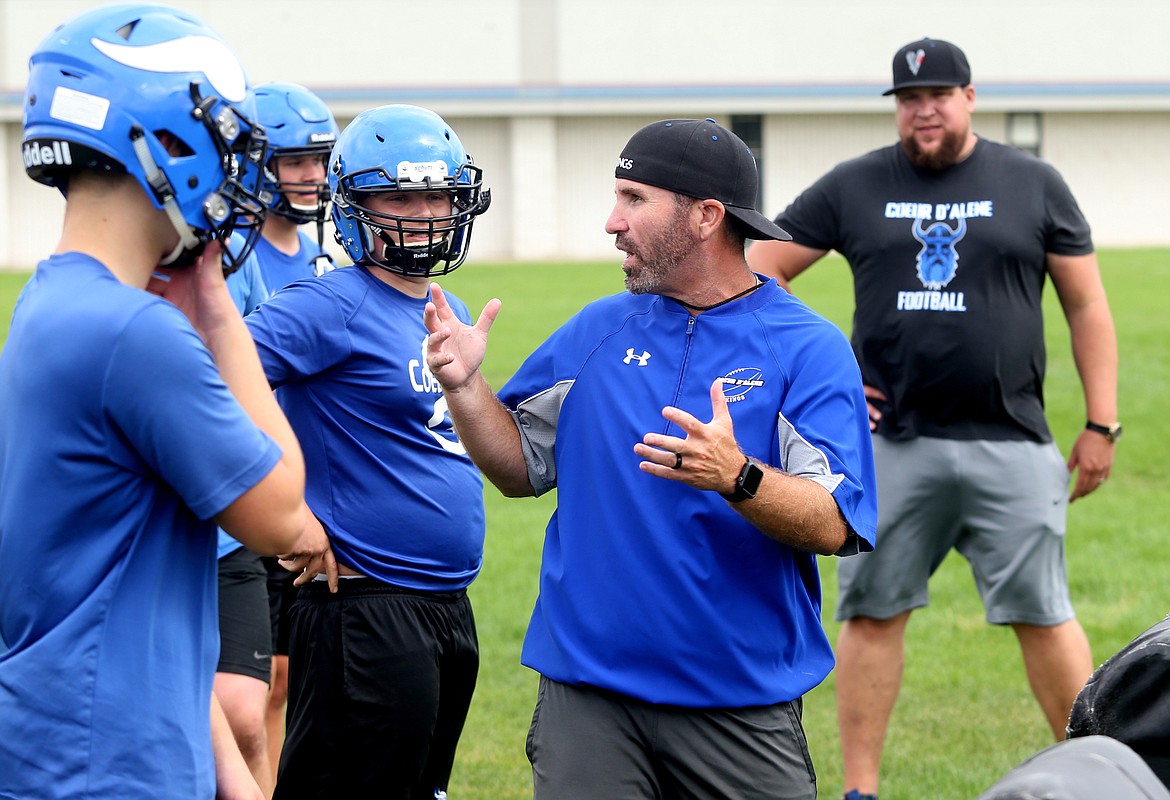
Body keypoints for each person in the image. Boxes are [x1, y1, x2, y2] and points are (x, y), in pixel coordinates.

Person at [424, 117, 878, 800]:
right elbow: (519, 466)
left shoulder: (805, 349)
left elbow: (836, 524)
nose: (612, 221)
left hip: (739, 704)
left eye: (635, 199)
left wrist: (739, 477)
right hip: (588, 699)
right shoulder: (597, 329)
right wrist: (465, 389)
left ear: (705, 216)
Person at [745, 37, 1118, 800]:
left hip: (1012, 439)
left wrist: (1102, 423)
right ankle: (860, 790)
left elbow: (1086, 302)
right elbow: (759, 269)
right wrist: (829, 374)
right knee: (874, 612)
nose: (924, 110)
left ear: (970, 98)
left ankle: (1101, 776)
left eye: (939, 95)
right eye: (910, 99)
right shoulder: (854, 185)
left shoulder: (1033, 182)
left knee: (1044, 614)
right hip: (889, 445)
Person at [0, 5, 330, 799]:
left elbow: (129, 592)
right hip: (107, 765)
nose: (234, 168)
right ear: (163, 142)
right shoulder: (136, 335)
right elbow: (283, 516)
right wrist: (218, 313)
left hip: (65, 743)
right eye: (222, 140)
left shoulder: (51, 304)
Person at [244, 104, 492, 800]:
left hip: (444, 604)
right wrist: (283, 511)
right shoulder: (329, 304)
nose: (422, 213)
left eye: (436, 194)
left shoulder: (446, 306)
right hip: (364, 607)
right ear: (354, 206)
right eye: (397, 195)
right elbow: (215, 382)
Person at [240, 80, 341, 787]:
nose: (309, 176)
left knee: (291, 678)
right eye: (292, 161)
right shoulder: (232, 261)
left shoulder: (325, 262)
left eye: (319, 160)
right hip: (257, 490)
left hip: (314, 491)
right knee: (254, 692)